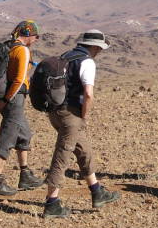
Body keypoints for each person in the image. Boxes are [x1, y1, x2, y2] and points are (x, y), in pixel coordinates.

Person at [42, 30, 121, 218]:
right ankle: (52, 204)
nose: (100, 52)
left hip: (55, 111)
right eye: (99, 49)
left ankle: (97, 192)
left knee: (83, 150)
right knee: (62, 156)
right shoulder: (87, 62)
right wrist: (83, 116)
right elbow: (88, 93)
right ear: (94, 46)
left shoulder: (67, 56)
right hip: (71, 114)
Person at [0, 20, 45, 196]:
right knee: (7, 137)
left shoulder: (8, 47)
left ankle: (25, 175)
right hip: (13, 99)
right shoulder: (22, 50)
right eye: (35, 36)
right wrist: (5, 100)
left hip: (7, 97)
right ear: (28, 34)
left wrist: (1, 99)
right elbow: (19, 80)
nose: (36, 40)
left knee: (24, 134)